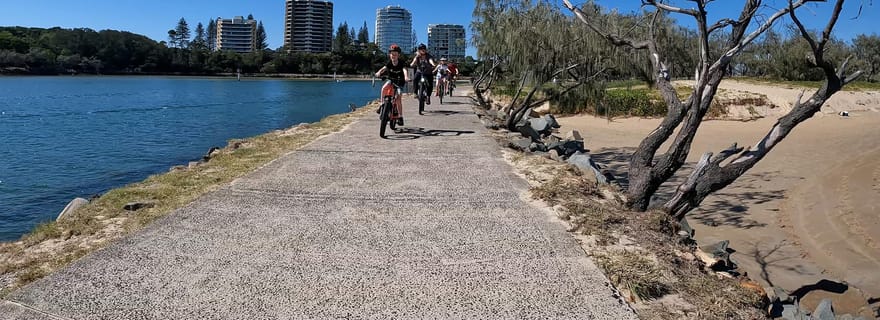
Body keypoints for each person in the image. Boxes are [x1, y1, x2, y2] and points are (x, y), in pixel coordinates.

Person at [374, 44, 410, 126]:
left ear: (398, 55)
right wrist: (379, 72)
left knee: (398, 97)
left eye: (395, 54)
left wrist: (406, 77)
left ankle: (400, 116)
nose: (393, 56)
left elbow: (404, 70)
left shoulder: (401, 63)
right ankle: (382, 105)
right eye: (392, 54)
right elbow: (384, 68)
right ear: (390, 55)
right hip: (391, 80)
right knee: (384, 88)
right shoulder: (389, 62)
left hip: (400, 81)